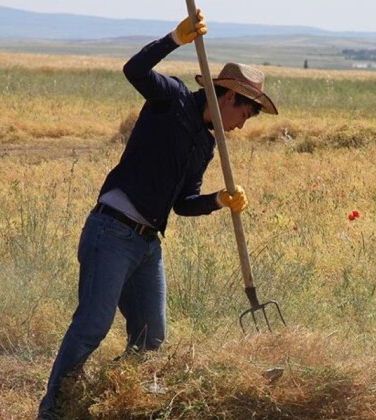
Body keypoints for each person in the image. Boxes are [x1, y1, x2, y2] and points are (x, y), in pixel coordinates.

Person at [38, 9, 278, 418]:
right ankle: (54, 410)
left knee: (150, 339)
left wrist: (219, 200)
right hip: (111, 231)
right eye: (243, 115)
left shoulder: (206, 144)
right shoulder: (172, 98)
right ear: (229, 97)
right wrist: (174, 39)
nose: (240, 126)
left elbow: (184, 204)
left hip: (148, 245)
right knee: (92, 327)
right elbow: (133, 69)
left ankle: (104, 399)